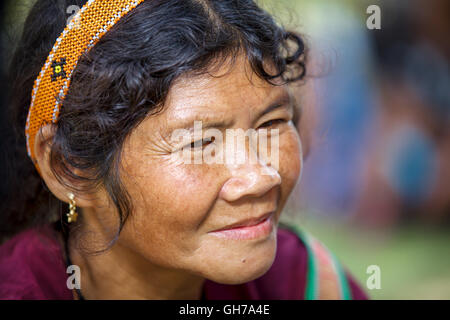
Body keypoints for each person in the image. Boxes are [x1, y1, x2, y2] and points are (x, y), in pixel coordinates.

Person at [0, 0, 367, 300]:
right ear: (69, 167)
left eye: (270, 124)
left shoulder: (304, 283)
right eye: (200, 142)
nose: (259, 177)